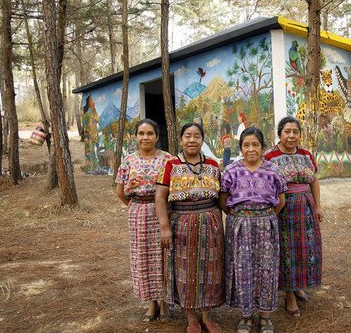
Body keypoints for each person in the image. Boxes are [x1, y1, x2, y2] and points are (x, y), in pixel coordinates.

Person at [155, 122, 224, 333]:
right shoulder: (171, 164)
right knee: (186, 270)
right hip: (181, 224)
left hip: (210, 223)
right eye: (187, 136)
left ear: (202, 140)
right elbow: (160, 197)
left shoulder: (213, 164)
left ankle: (206, 316)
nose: (192, 140)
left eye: (196, 136)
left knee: (210, 269)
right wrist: (165, 227)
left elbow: (221, 197)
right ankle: (191, 319)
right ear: (181, 139)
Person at [220, 127, 286, 333]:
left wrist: (264, 217)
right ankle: (246, 316)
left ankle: (265, 316)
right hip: (240, 225)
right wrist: (240, 218)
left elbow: (280, 201)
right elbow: (223, 201)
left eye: (255, 144)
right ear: (240, 148)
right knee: (243, 269)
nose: (251, 149)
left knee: (266, 269)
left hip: (266, 224)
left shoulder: (272, 170)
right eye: (246, 145)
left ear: (262, 147)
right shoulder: (231, 171)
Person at [264, 116, 323, 317]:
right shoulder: (269, 156)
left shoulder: (307, 155)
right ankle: (288, 295)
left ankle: (298, 286)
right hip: (283, 210)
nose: (291, 135)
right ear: (279, 134)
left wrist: (317, 206)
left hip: (306, 208)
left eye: (295, 132)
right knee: (286, 251)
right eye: (287, 131)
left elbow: (314, 181)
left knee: (304, 250)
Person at [115, 118, 172, 322]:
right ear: (136, 137)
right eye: (141, 133)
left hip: (163, 213)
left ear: (157, 136)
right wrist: (135, 207)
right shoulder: (128, 161)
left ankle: (165, 301)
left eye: (150, 133)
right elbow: (120, 191)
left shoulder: (168, 160)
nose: (145, 137)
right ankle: (151, 303)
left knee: (163, 256)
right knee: (143, 258)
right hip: (138, 213)